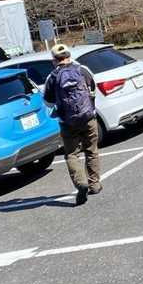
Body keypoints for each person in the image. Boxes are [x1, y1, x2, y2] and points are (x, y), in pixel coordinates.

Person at [41, 43, 101, 205]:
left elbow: (47, 101)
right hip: (88, 117)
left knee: (72, 154)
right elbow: (93, 88)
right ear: (69, 55)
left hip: (67, 121)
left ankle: (81, 183)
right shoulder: (82, 70)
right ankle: (94, 184)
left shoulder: (53, 76)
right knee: (92, 151)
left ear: (54, 60)